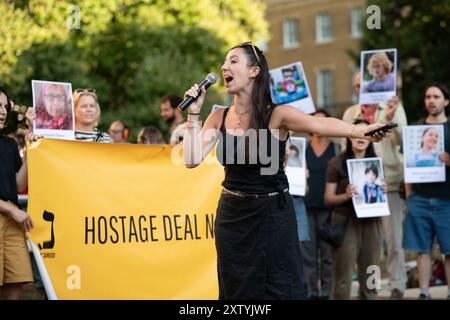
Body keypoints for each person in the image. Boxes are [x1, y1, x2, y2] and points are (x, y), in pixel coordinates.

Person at [182, 42, 389, 299]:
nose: (225, 66)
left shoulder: (277, 115)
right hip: (232, 216)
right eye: (225, 62)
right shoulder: (218, 117)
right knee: (236, 288)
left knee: (278, 285)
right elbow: (191, 159)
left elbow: (318, 124)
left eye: (233, 61)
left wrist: (360, 130)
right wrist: (193, 113)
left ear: (254, 71)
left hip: (272, 215)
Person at [342, 72, 408, 299]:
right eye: (357, 85)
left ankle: (397, 284)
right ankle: (368, 289)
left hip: (388, 180)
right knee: (366, 245)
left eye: (365, 85)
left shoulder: (392, 107)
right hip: (359, 184)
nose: (361, 89)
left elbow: (406, 138)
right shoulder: (351, 113)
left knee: (393, 240)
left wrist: (391, 118)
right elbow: (344, 145)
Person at [324, 119, 386, 300]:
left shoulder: (376, 163)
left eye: (367, 132)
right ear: (350, 136)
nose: (362, 136)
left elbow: (381, 195)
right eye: (359, 131)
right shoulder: (336, 163)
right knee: (343, 275)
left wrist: (383, 190)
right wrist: (345, 195)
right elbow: (327, 199)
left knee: (372, 271)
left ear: (372, 138)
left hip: (372, 222)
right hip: (345, 221)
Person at [403, 82, 450, 300]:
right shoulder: (415, 129)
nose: (431, 100)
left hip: (447, 200)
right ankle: (423, 293)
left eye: (436, 96)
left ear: (446, 101)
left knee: (449, 250)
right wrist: (409, 195)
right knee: (422, 250)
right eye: (428, 96)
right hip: (419, 199)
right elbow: (407, 166)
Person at [0, 86, 35, 300]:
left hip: (13, 221)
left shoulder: (10, 144)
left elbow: (18, 185)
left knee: (15, 285)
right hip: (11, 213)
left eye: (5, 106)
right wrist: (11, 210)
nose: (3, 111)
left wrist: (31, 147)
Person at [302, 109, 337, 300]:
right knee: (307, 256)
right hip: (305, 208)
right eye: (315, 122)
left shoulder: (336, 149)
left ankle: (326, 294)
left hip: (329, 210)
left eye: (323, 122)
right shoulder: (301, 148)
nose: (319, 126)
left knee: (327, 257)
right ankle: (311, 294)